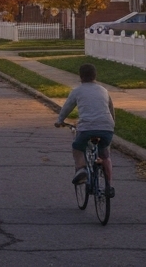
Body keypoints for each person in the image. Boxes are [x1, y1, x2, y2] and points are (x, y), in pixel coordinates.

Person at [55, 63, 116, 198]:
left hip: (87, 127)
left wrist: (60, 120)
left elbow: (67, 107)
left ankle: (81, 169)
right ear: (95, 76)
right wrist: (111, 125)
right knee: (105, 155)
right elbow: (111, 110)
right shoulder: (104, 90)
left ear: (80, 76)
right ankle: (109, 186)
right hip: (106, 127)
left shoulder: (77, 91)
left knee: (77, 146)